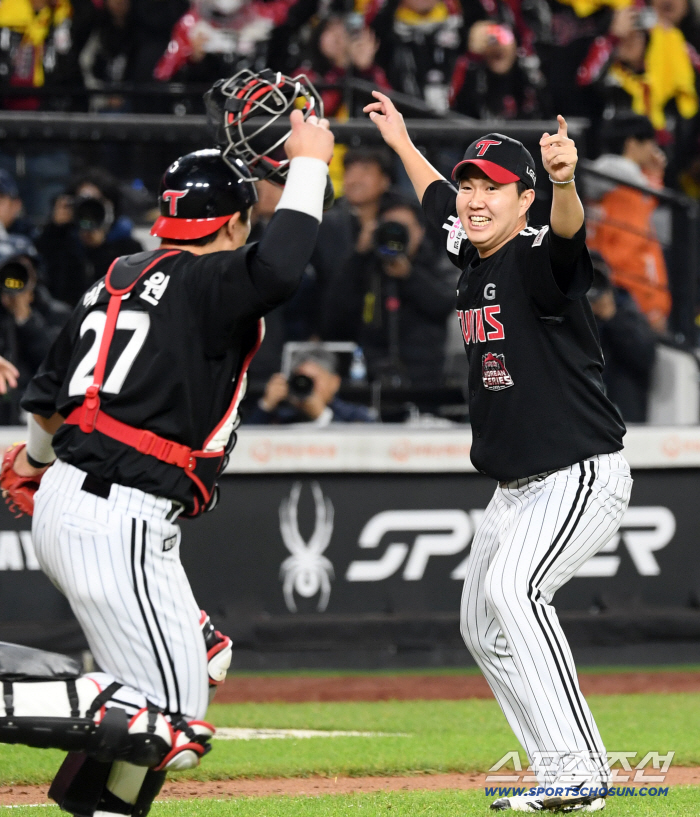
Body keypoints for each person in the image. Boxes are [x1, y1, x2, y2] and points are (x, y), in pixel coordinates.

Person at [1, 96, 334, 817]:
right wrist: (309, 166)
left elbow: (49, 398)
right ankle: (14, 693)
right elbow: (280, 270)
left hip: (85, 499)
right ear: (235, 222)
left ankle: (107, 809)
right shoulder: (206, 281)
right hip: (118, 514)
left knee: (198, 670)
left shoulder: (115, 277)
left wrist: (31, 464)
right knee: (170, 725)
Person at [365, 89, 631, 811]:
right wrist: (401, 141)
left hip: (578, 471)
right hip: (516, 487)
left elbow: (569, 236)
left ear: (525, 201)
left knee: (516, 592)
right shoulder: (472, 247)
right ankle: (558, 773)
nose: (476, 199)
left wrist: (565, 182)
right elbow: (435, 201)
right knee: (481, 627)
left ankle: (581, 771)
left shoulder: (539, 257)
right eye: (471, 186)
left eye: (494, 188)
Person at [323, 194, 455, 387]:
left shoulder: (435, 262)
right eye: (389, 227)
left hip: (424, 375)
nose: (395, 235)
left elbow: (443, 305)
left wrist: (409, 276)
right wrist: (358, 255)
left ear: (420, 231)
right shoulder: (366, 265)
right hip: (371, 373)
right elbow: (336, 312)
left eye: (403, 228)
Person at [585, 113, 671, 333]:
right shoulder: (629, 191)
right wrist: (653, 308)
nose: (654, 151)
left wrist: (652, 178)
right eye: (650, 143)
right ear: (632, 144)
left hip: (602, 291)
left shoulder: (596, 180)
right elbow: (632, 254)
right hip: (629, 302)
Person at [36, 168, 144, 307]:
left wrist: (99, 248)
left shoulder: (129, 250)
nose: (89, 211)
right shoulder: (59, 242)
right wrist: (55, 228)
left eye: (96, 204)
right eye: (83, 203)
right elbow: (50, 289)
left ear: (111, 206)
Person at [588, 252, 656, 423]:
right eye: (585, 278)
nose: (591, 285)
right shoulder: (565, 312)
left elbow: (644, 357)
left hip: (625, 418)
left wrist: (612, 317)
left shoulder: (626, 309)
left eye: (597, 276)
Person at [246, 346, 376, 424]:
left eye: (313, 379)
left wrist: (322, 416)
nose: (307, 385)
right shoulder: (281, 416)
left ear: (334, 382)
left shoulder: (354, 415)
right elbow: (243, 442)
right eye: (301, 379)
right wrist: (266, 406)